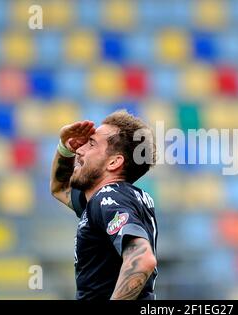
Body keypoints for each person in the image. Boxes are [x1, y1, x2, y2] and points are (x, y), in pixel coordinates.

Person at [49, 110, 158, 300]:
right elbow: (60, 187)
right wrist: (64, 148)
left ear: (114, 162)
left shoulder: (109, 198)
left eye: (91, 144)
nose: (80, 149)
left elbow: (142, 260)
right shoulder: (107, 200)